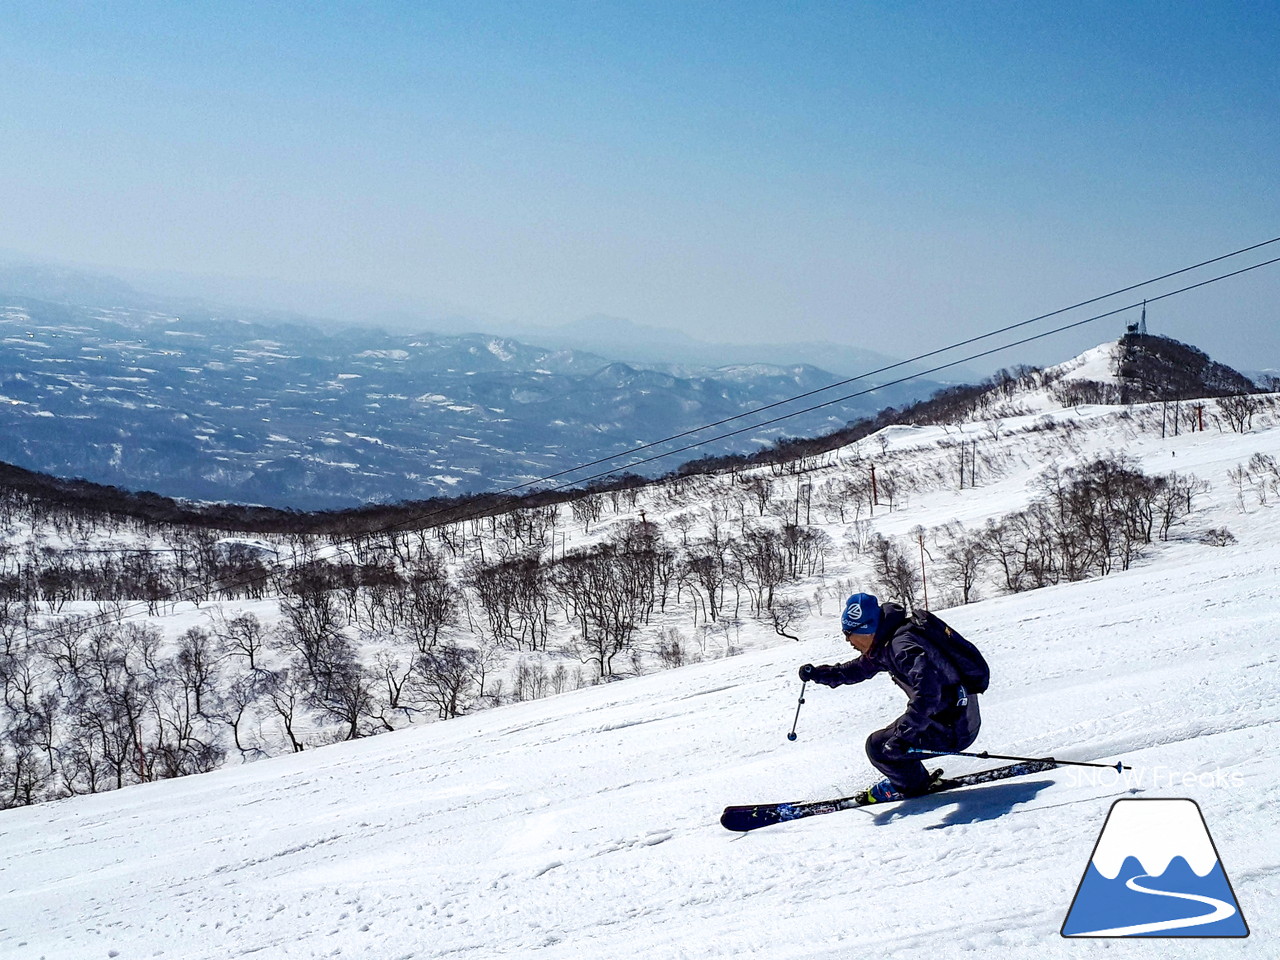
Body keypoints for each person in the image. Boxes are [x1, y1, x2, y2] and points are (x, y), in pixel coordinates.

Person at [799, 592, 982, 803]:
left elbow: (929, 693)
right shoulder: (888, 641)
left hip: (955, 727)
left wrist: (904, 736)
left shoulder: (901, 647)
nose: (848, 641)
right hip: (955, 716)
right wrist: (819, 674)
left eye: (850, 634)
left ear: (867, 630)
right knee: (888, 741)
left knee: (879, 748)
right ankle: (913, 779)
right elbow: (858, 669)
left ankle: (916, 789)